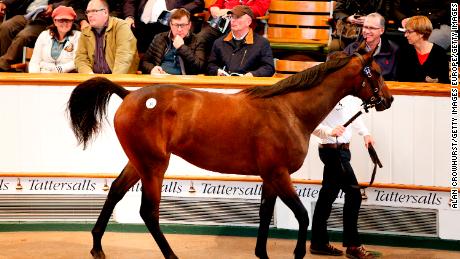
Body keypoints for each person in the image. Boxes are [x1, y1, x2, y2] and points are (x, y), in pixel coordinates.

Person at [310, 95, 376, 259]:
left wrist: (365, 134)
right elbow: (309, 122)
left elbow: (353, 115)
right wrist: (328, 131)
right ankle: (353, 246)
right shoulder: (323, 94)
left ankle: (318, 243)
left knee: (328, 194)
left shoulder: (347, 96)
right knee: (354, 195)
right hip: (333, 152)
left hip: (342, 152)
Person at [0, 0, 73, 71]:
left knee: (24, 35)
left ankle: (4, 64)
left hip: (44, 20)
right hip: (27, 15)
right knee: (5, 27)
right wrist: (4, 3)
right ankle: (3, 65)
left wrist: (53, 6)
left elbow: (71, 2)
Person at [207, 5, 274, 77]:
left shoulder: (262, 43)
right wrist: (217, 71)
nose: (233, 20)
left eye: (237, 17)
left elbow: (268, 68)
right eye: (231, 17)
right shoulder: (219, 42)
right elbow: (210, 65)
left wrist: (252, 74)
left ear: (249, 22)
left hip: (250, 86)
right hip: (224, 84)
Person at [75, 0, 139, 74]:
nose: (89, 15)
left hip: (120, 80)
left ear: (105, 12)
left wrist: (112, 82)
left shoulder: (121, 27)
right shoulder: (85, 31)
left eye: (94, 11)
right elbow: (80, 59)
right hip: (94, 79)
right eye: (88, 12)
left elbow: (124, 58)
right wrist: (89, 76)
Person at [140, 8, 205, 75]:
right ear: (171, 25)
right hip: (161, 79)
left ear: (189, 25)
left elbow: (200, 67)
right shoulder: (160, 38)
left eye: (182, 25)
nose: (179, 29)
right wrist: (152, 69)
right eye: (176, 25)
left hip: (183, 81)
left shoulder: (197, 40)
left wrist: (182, 47)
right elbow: (145, 62)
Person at [124, 0, 204, 53]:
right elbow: (130, 2)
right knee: (124, 30)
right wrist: (129, 17)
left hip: (167, 25)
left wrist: (181, 10)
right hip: (140, 25)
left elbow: (198, 2)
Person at [197, 0, 270, 53]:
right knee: (200, 37)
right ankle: (201, 67)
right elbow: (218, 4)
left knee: (223, 42)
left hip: (240, 27)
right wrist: (214, 9)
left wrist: (231, 11)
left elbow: (258, 10)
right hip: (220, 24)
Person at [343, 13, 398, 80]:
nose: (367, 31)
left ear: (382, 30)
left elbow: (396, 79)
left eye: (372, 28)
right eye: (365, 27)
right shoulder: (352, 49)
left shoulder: (394, 49)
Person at [396, 15, 449, 83]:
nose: (405, 35)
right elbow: (399, 80)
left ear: (421, 33)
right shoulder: (404, 52)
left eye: (409, 32)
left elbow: (445, 82)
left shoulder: (439, 53)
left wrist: (436, 81)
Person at [28, 6, 80, 73]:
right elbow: (35, 61)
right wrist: (35, 79)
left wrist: (58, 69)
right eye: (61, 20)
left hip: (67, 77)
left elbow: (76, 61)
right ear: (54, 21)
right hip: (43, 76)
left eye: (68, 20)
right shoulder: (44, 35)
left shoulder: (78, 36)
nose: (64, 23)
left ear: (72, 21)